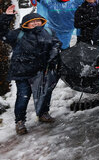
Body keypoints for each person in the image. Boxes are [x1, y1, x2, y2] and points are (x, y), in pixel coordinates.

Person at [0, 7, 62, 135]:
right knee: (23, 97)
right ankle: (20, 121)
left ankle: (43, 113)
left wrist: (54, 52)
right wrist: (6, 16)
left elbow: (56, 43)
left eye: (38, 21)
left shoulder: (48, 32)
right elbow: (2, 33)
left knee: (44, 94)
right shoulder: (18, 34)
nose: (35, 23)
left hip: (42, 71)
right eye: (32, 22)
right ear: (25, 24)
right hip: (22, 73)